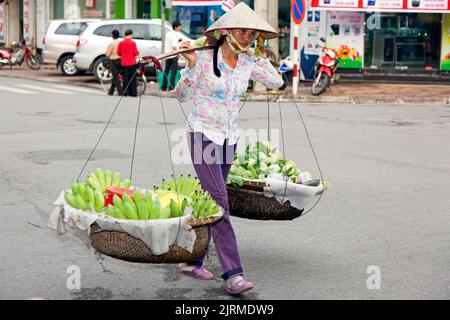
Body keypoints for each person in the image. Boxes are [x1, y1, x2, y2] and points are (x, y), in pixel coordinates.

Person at [175, 2, 283, 296]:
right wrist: (191, 66)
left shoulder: (248, 63)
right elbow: (181, 95)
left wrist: (261, 58)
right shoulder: (201, 57)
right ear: (225, 31)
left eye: (251, 32)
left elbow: (277, 81)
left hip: (228, 139)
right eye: (242, 30)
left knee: (212, 204)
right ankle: (234, 274)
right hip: (202, 137)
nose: (247, 36)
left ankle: (190, 259)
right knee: (221, 204)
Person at [117, 29, 139, 97]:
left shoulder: (121, 43)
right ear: (130, 34)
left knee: (125, 78)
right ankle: (133, 93)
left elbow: (118, 53)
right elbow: (135, 52)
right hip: (132, 63)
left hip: (124, 63)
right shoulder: (133, 43)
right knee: (132, 78)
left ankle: (125, 92)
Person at [162, 20, 182, 91]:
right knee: (173, 72)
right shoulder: (174, 35)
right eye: (179, 27)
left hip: (167, 55)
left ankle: (164, 87)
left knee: (166, 72)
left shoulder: (168, 34)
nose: (180, 28)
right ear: (175, 27)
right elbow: (174, 46)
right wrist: (178, 53)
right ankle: (171, 87)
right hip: (173, 55)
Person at [106, 29, 122, 96]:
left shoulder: (112, 43)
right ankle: (111, 92)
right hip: (120, 60)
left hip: (114, 60)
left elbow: (108, 53)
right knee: (116, 76)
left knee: (115, 77)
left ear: (112, 35)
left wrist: (107, 56)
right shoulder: (120, 42)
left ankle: (120, 91)